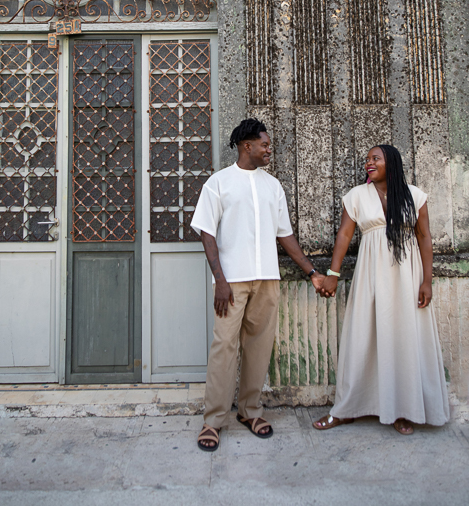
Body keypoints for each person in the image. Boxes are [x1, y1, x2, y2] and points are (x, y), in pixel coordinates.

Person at [191, 118, 324, 451]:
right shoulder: (218, 183)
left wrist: (311, 271)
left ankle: (250, 411)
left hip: (267, 279)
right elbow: (207, 232)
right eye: (265, 144)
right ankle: (213, 420)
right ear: (246, 145)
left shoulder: (272, 185)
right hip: (231, 282)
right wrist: (219, 280)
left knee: (259, 348)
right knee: (225, 347)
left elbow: (286, 236)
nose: (269, 150)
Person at [313, 144, 449, 435]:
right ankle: (347, 409)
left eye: (375, 158)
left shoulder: (415, 195)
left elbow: (424, 238)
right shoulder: (357, 196)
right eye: (367, 159)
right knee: (363, 335)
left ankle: (403, 410)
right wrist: (333, 274)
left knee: (404, 336)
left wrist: (427, 280)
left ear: (392, 162)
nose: (369, 163)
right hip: (371, 273)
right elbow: (344, 235)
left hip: (407, 276)